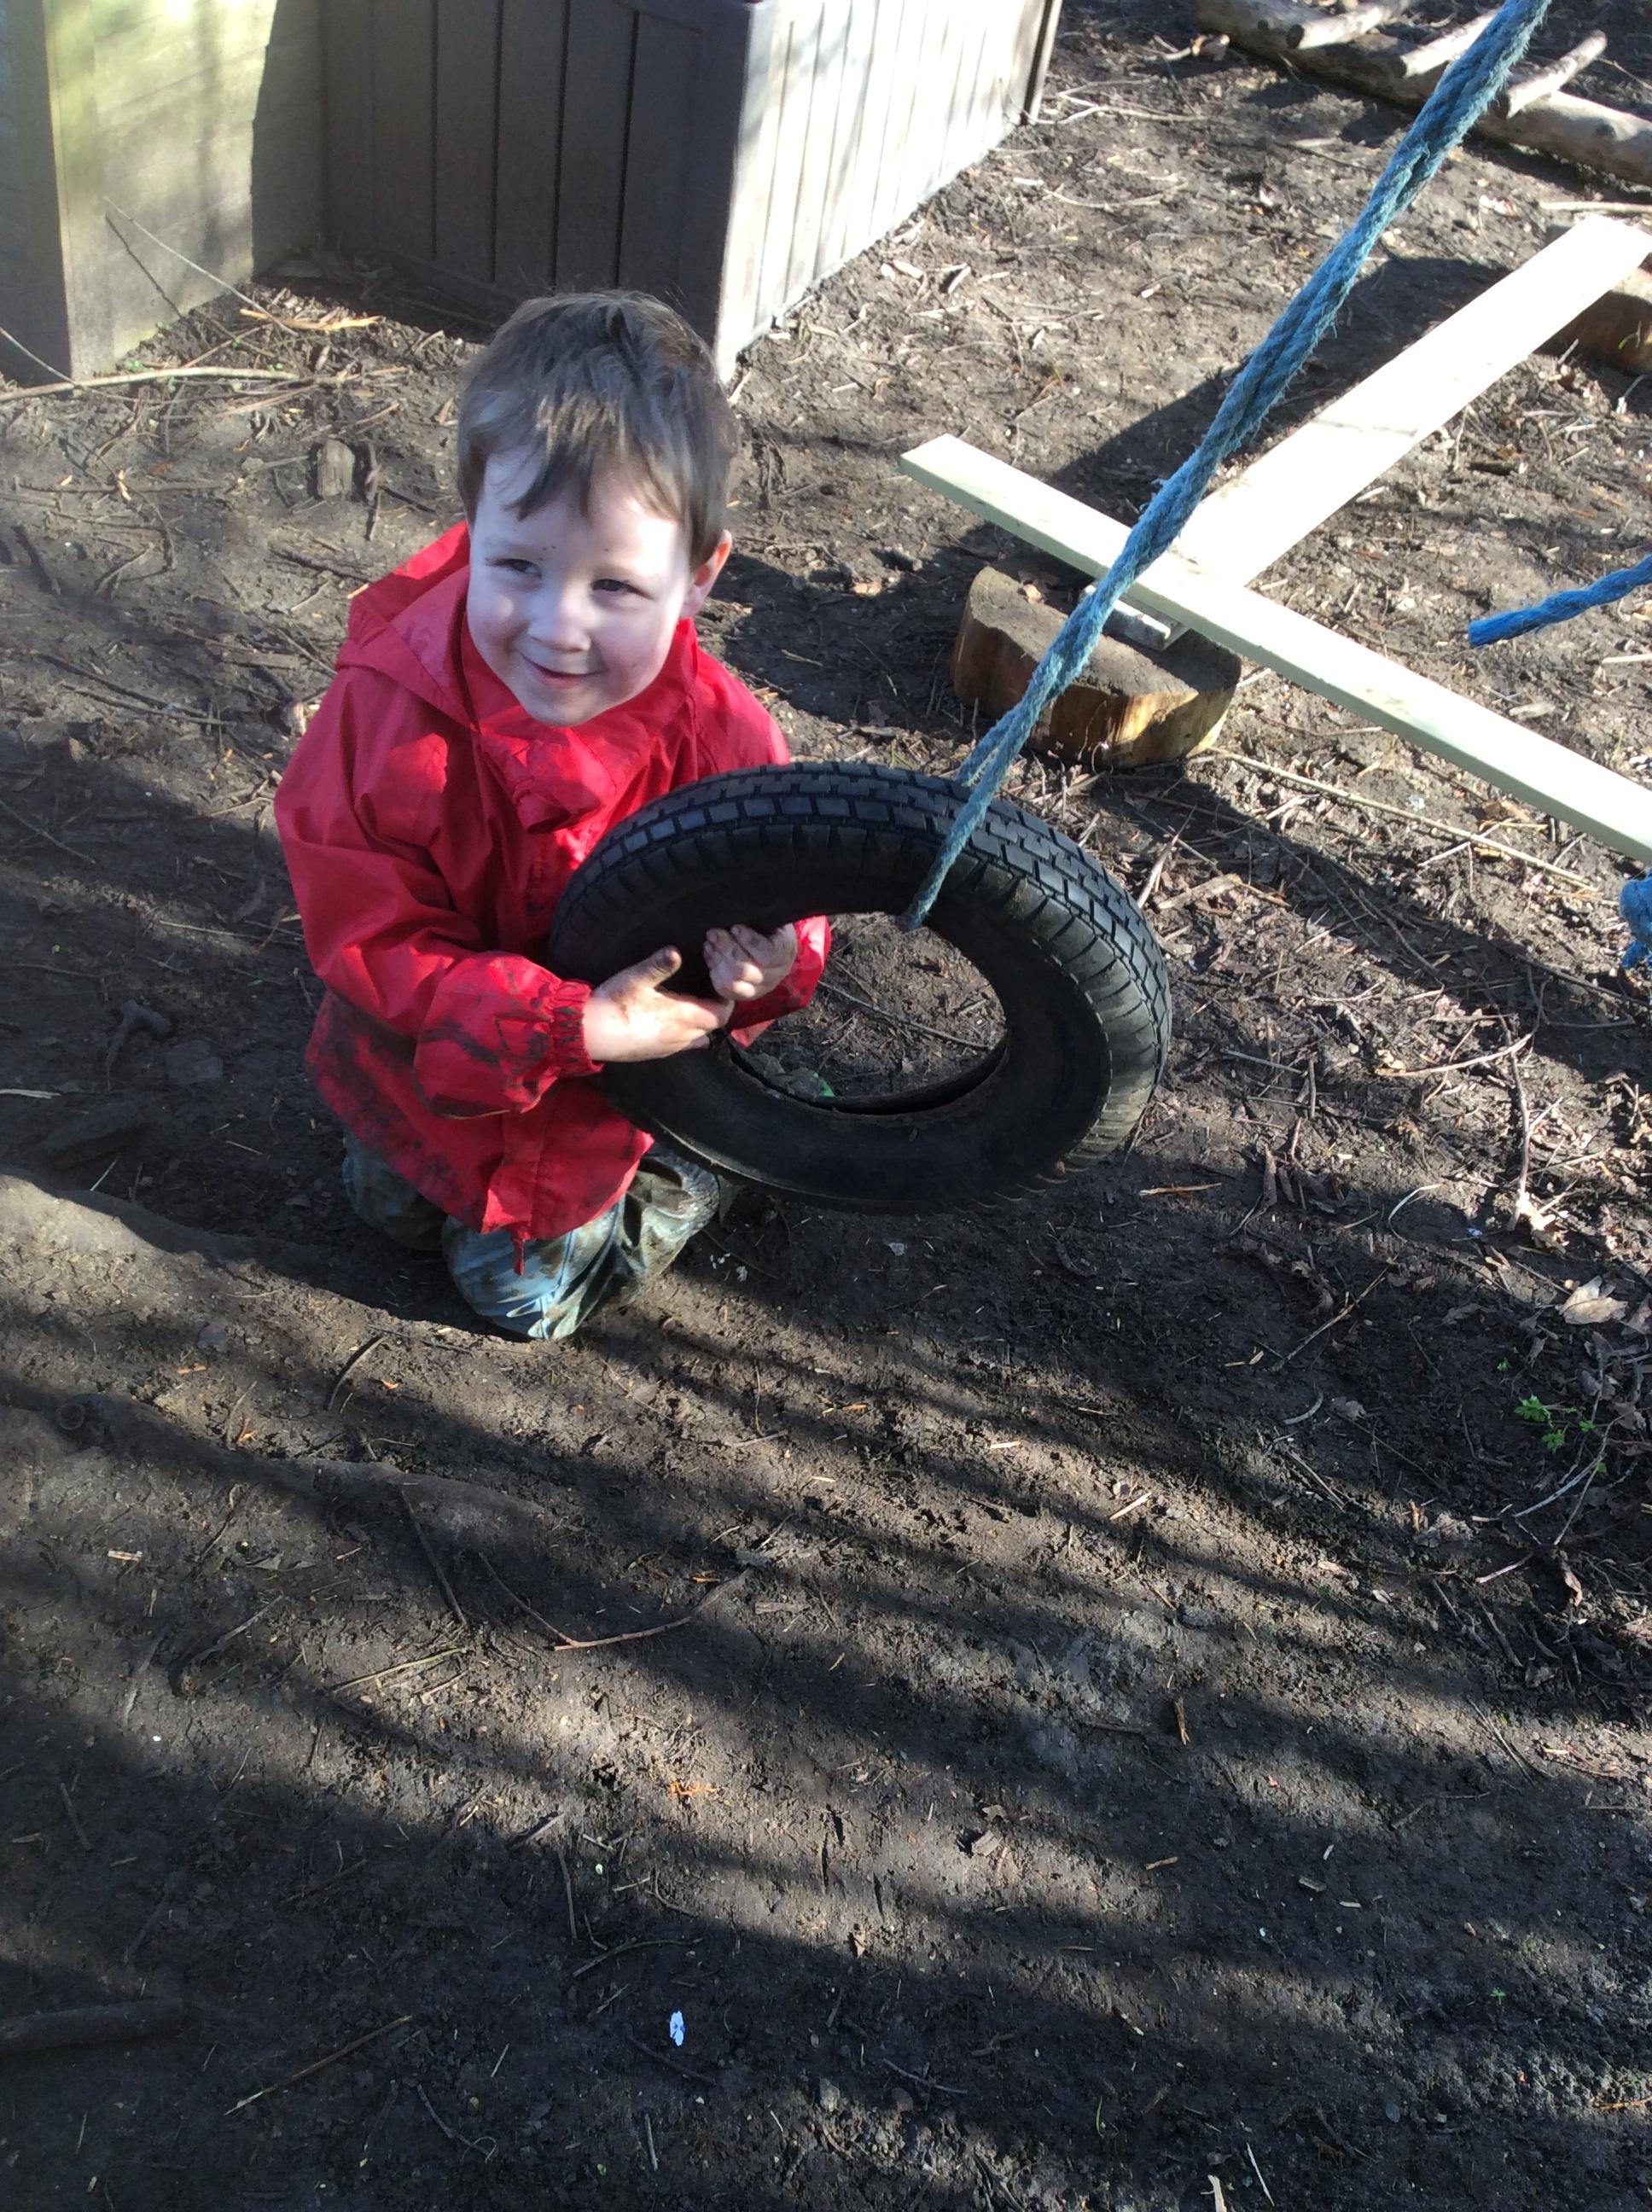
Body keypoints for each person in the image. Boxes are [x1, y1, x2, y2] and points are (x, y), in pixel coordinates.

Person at [274, 291, 828, 1339]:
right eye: (519, 566)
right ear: (472, 527)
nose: (556, 626)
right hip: (429, 1058)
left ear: (699, 576)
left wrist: (776, 960)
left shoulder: (723, 739)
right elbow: (364, 926)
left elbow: (795, 900)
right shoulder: (389, 705)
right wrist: (549, 1021)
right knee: (382, 1209)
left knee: (519, 1298)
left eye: (614, 587)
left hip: (606, 1098)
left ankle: (700, 1173)